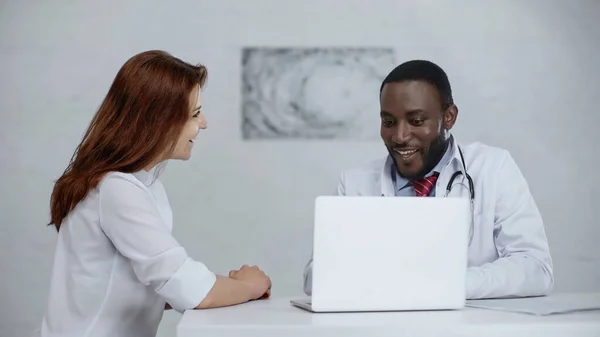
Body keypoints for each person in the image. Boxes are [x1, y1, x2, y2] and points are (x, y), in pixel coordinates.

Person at [40, 50, 271, 337]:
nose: (204, 123)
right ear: (159, 121)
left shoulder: (137, 186)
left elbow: (161, 284)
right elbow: (188, 288)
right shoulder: (117, 189)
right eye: (195, 114)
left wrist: (222, 287)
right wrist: (249, 285)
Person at [303, 60, 554, 300]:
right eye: (389, 122)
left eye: (416, 121)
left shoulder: (493, 168)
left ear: (449, 117)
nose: (400, 136)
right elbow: (316, 277)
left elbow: (535, 267)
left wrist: (443, 284)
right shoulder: (355, 184)